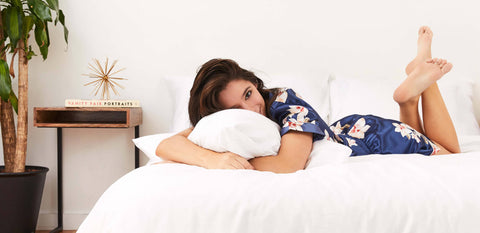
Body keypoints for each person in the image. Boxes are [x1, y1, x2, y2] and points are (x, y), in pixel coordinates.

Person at [156, 26, 460, 173]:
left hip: (371, 140)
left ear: (253, 82)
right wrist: (214, 158)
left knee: (453, 156)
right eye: (236, 109)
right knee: (424, 140)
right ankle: (410, 94)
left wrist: (234, 163)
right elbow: (167, 144)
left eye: (249, 94)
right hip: (358, 133)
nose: (252, 108)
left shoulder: (284, 102)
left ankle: (424, 82)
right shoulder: (228, 127)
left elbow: (288, 165)